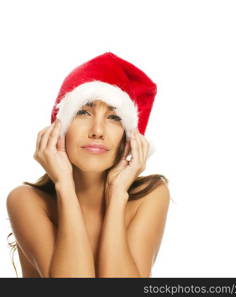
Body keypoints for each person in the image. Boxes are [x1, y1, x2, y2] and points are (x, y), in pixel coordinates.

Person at [6, 52, 171, 278]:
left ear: (129, 136)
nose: (97, 131)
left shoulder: (150, 195)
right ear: (59, 127)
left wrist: (117, 196)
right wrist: (64, 185)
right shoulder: (26, 200)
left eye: (114, 118)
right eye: (83, 112)